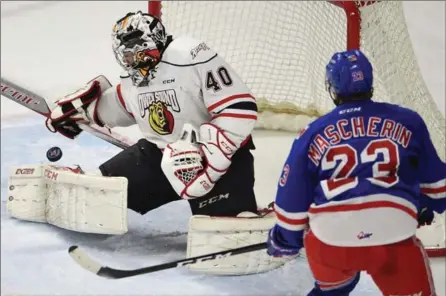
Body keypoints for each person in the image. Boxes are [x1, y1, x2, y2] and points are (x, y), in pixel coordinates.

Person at [7, 11, 289, 276]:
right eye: (127, 53)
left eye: (138, 49)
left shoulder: (190, 55)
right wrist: (81, 113)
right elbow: (120, 107)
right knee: (100, 191)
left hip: (220, 160)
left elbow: (240, 109)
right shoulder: (134, 78)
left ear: (155, 40)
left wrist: (210, 162)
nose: (134, 57)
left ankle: (259, 218)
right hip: (158, 156)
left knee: (226, 238)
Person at [266, 49, 445, 296]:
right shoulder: (409, 120)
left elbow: (292, 201)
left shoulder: (312, 132)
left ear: (332, 87)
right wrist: (423, 205)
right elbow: (438, 186)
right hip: (393, 235)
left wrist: (285, 239)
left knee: (332, 289)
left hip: (331, 242)